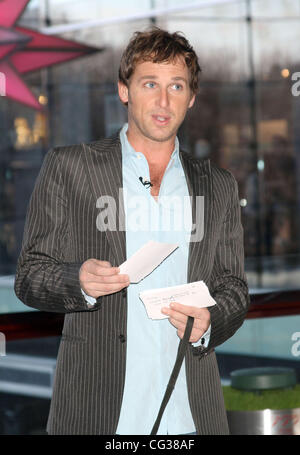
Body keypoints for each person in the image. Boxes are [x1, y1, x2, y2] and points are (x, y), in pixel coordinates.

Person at [14, 27, 250, 435]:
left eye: (176, 86)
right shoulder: (72, 168)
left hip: (191, 414)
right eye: (149, 84)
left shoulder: (218, 184)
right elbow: (30, 275)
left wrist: (210, 320)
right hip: (98, 412)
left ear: (191, 98)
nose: (163, 101)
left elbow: (233, 286)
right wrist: (79, 281)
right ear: (124, 90)